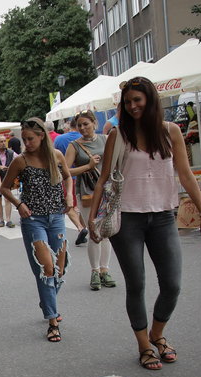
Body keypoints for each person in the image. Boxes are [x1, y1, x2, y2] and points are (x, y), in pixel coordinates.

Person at [88, 76, 201, 370]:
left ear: (150, 100)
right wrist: (93, 221)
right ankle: (144, 344)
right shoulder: (118, 135)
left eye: (138, 100)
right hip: (127, 219)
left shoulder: (170, 132)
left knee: (172, 284)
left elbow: (185, 175)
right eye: (128, 101)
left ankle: (158, 334)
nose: (133, 106)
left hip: (162, 217)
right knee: (137, 284)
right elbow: (104, 178)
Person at [0, 117, 73, 343]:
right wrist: (19, 205)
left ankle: (47, 299)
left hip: (57, 218)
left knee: (59, 269)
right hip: (34, 220)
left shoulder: (56, 157)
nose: (27, 143)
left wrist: (69, 193)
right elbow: (3, 187)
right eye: (24, 139)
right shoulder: (21, 161)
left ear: (42, 136)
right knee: (46, 268)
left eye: (31, 139)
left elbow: (68, 177)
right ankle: (52, 320)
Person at [64, 110, 115, 291]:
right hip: (86, 192)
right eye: (80, 125)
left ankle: (105, 270)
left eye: (86, 124)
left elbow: (116, 162)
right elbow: (66, 171)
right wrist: (88, 166)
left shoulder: (106, 139)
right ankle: (94, 271)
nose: (83, 128)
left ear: (94, 123)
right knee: (93, 230)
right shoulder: (74, 145)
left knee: (106, 231)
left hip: (107, 190)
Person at [56, 119, 89, 244]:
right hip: (86, 179)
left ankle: (80, 228)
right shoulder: (86, 137)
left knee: (68, 206)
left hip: (66, 178)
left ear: (69, 126)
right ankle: (84, 227)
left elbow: (55, 161)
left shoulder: (60, 139)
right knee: (83, 206)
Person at [0, 134, 17, 228]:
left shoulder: (10, 152)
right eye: (1, 141)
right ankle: (1, 220)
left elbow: (18, 161)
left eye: (4, 141)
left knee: (7, 199)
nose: (3, 143)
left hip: (7, 178)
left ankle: (8, 220)